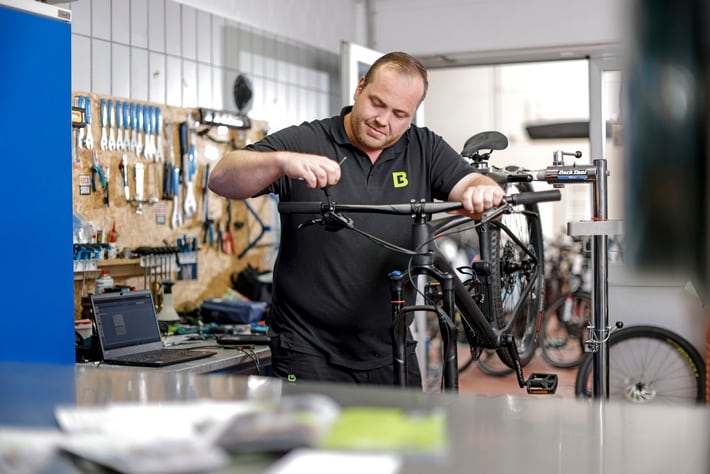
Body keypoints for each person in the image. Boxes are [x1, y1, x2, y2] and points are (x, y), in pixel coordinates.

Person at [208, 51, 505, 388]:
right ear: (360, 87)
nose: (383, 120)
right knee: (315, 426)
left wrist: (482, 190)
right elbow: (221, 178)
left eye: (399, 114)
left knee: (407, 425)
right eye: (377, 103)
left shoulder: (423, 148)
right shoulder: (307, 141)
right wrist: (280, 162)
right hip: (306, 350)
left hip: (391, 346)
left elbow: (469, 183)